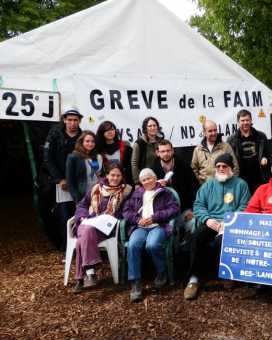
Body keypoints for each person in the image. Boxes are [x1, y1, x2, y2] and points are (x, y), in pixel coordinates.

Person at [184, 153, 251, 300]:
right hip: (212, 222)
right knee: (196, 238)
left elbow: (245, 206)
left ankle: (226, 275)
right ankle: (194, 279)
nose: (221, 168)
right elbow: (199, 205)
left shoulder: (240, 184)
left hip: (231, 224)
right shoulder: (208, 185)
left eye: (224, 166)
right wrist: (207, 220)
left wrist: (229, 221)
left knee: (222, 242)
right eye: (218, 166)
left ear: (231, 168)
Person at [72, 163, 132, 293]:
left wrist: (115, 217)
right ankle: (89, 271)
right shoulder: (96, 188)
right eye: (112, 175)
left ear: (122, 176)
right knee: (86, 230)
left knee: (80, 240)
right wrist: (82, 218)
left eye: (118, 175)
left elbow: (128, 211)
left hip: (108, 228)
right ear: (107, 175)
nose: (115, 178)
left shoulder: (126, 190)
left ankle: (83, 277)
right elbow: (82, 206)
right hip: (90, 223)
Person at [122, 168, 180, 302]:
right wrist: (137, 220)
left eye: (149, 178)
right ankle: (135, 282)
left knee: (152, 245)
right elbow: (126, 210)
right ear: (141, 182)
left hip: (158, 226)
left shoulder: (164, 192)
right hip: (140, 227)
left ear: (155, 178)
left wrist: (155, 218)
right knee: (133, 245)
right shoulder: (137, 193)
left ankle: (161, 272)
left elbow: (174, 209)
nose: (147, 181)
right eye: (143, 180)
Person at [43, 109, 83, 250]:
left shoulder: (82, 136)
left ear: (79, 121)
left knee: (79, 214)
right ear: (64, 120)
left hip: (79, 184)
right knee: (64, 215)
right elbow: (48, 158)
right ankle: (67, 247)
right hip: (62, 184)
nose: (72, 123)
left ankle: (79, 246)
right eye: (70, 120)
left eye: (75, 120)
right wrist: (59, 179)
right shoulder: (55, 135)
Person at [227, 109, 270, 193]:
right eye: (242, 120)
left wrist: (265, 158)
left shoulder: (261, 136)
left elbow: (268, 153)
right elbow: (229, 159)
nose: (245, 122)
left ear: (251, 121)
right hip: (240, 179)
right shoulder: (231, 139)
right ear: (238, 122)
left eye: (247, 120)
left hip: (259, 178)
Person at [152, 139, 199, 212]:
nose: (166, 154)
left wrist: (191, 209)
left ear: (173, 151)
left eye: (168, 151)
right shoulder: (153, 169)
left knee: (192, 222)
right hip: (164, 211)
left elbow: (194, 188)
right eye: (163, 151)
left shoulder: (184, 165)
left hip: (184, 209)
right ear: (157, 153)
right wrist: (157, 185)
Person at [191, 119, 239, 184]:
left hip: (224, 186)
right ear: (204, 133)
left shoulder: (226, 147)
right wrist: (201, 182)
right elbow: (193, 169)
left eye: (215, 130)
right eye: (210, 131)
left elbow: (235, 167)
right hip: (206, 187)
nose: (213, 133)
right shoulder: (198, 150)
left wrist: (231, 183)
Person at [66, 131, 103, 203]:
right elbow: (70, 182)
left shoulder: (98, 157)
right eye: (87, 141)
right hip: (82, 196)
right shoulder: (73, 157)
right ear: (81, 142)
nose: (90, 144)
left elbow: (101, 175)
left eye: (93, 141)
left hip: (98, 195)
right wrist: (77, 199)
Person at [95, 120, 133, 185]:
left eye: (112, 129)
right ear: (101, 133)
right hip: (107, 184)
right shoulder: (98, 150)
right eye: (107, 130)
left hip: (125, 183)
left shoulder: (126, 147)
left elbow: (131, 168)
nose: (110, 132)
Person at [131, 116, 162, 185]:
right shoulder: (139, 143)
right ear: (145, 128)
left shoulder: (161, 142)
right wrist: (137, 182)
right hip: (145, 181)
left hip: (159, 179)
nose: (153, 128)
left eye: (154, 125)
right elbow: (134, 164)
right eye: (150, 126)